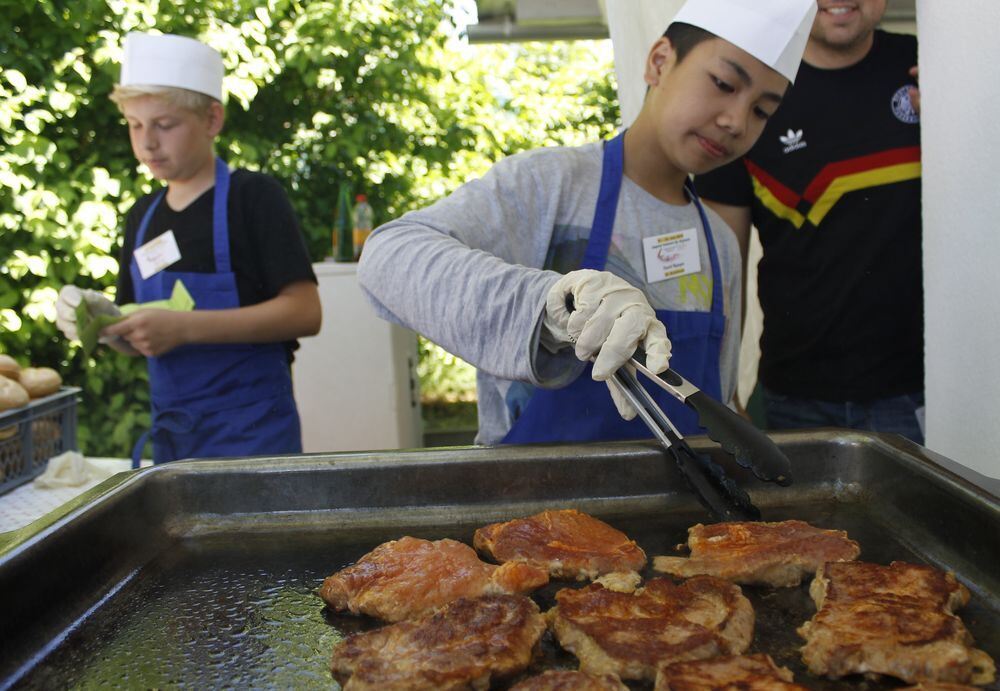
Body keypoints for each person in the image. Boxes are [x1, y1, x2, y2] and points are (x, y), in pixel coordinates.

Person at [358, 0, 818, 445]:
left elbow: (720, 396)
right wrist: (549, 306)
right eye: (722, 83)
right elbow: (386, 256)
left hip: (679, 517)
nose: (736, 120)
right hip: (534, 512)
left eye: (762, 110)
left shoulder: (717, 242)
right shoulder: (550, 185)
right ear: (659, 61)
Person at [55, 32, 321, 465]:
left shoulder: (252, 197)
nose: (147, 143)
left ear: (212, 120)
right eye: (135, 125)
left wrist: (185, 327)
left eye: (164, 125)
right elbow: (141, 337)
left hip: (254, 436)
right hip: (175, 440)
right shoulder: (141, 217)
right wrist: (103, 324)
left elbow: (306, 312)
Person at [695, 0, 924, 443]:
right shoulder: (746, 92)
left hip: (925, 389)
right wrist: (721, 396)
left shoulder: (931, 68)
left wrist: (972, 122)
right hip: (796, 396)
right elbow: (722, 273)